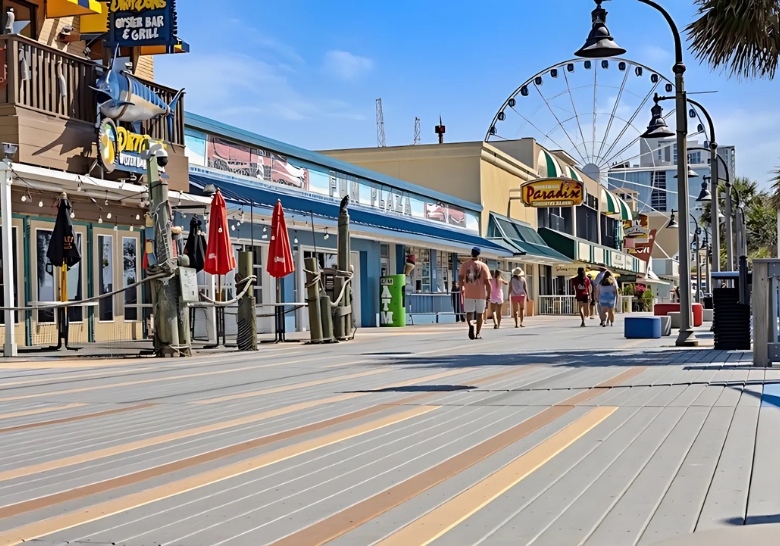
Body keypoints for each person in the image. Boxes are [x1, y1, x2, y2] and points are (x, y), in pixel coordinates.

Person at [458, 247, 491, 340]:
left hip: (468, 293)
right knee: (480, 314)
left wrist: (462, 288)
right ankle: (478, 333)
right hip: (481, 294)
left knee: (469, 313)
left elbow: (460, 279)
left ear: (471, 253)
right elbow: (487, 282)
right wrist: (489, 294)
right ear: (479, 255)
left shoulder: (464, 265)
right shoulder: (484, 266)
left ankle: (471, 324)